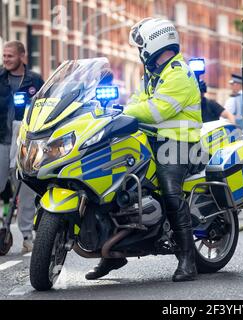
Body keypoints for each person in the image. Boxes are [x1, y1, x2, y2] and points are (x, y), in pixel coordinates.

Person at [85, 18, 201, 282]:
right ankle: (113, 251)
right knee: (114, 181)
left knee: (171, 193)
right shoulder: (152, 74)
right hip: (151, 139)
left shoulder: (178, 73)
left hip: (178, 143)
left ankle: (187, 259)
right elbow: (137, 101)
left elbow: (156, 111)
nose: (138, 51)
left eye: (140, 46)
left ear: (153, 43)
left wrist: (119, 111)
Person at [0, 40, 44, 253]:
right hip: (1, 140)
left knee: (26, 189)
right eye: (4, 56)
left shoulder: (35, 80)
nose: (6, 59)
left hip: (26, 141)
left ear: (21, 56)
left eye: (10, 56)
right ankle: (2, 227)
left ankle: (27, 236)